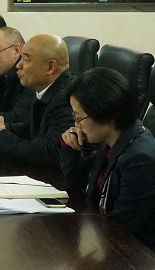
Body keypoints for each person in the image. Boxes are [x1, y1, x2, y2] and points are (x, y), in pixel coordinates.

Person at [60, 68, 155, 250]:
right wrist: (70, 148)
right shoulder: (113, 142)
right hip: (106, 242)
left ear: (103, 111)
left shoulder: (139, 160)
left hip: (136, 257)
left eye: (78, 117)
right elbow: (77, 184)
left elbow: (121, 229)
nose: (76, 124)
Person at [0, 34, 73, 169]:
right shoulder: (47, 89)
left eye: (26, 60)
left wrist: (3, 137)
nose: (18, 65)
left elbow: (48, 151)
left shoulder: (67, 98)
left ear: (50, 67)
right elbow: (31, 129)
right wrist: (1, 127)